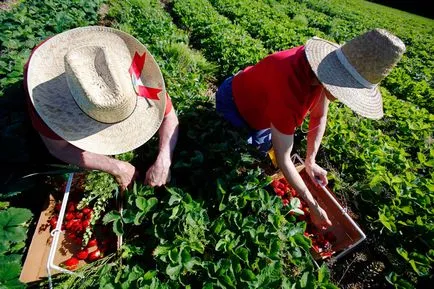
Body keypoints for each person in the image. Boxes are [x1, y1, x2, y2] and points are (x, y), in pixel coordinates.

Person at [216, 28, 405, 229]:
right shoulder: (289, 88)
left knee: (264, 148)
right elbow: (284, 159)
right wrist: (312, 205)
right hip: (236, 105)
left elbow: (319, 115)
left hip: (265, 108)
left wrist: (311, 160)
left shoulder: (321, 71)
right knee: (241, 157)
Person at [24, 26, 179, 191]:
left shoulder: (124, 75)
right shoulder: (46, 98)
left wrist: (164, 160)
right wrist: (115, 167)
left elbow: (169, 117)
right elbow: (58, 148)